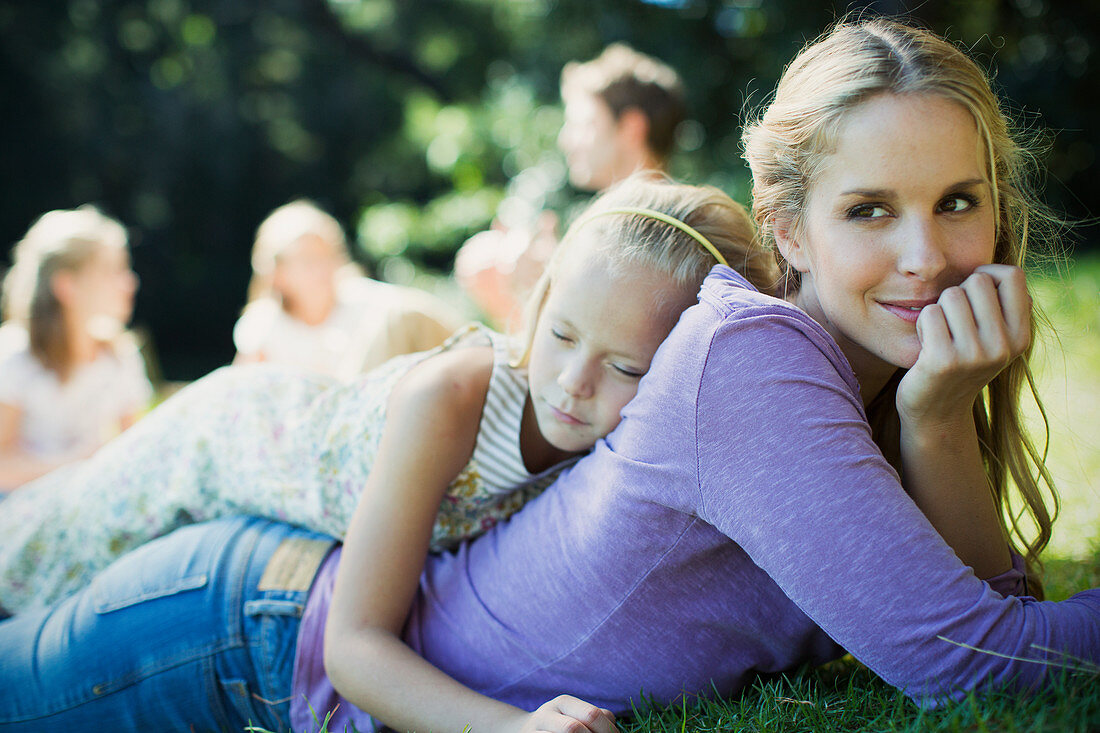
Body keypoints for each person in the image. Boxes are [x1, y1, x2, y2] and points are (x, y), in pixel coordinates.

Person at [3, 17, 1100, 733]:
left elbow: (985, 631)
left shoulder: (875, 392)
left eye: (957, 201)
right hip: (244, 629)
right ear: (789, 229)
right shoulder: (751, 363)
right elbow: (982, 662)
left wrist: (938, 416)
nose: (925, 255)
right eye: (869, 209)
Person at [0, 175, 779, 621]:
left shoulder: (638, 438)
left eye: (629, 369)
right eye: (563, 335)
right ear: (537, 309)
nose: (574, 382)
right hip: (224, 440)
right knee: (39, 555)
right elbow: (355, 645)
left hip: (271, 463)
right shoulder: (453, 397)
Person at [454, 43, 686, 330]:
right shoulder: (649, 223)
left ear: (631, 128)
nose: (566, 140)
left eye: (583, 124)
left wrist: (547, 285)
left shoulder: (656, 236)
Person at [0, 205, 151, 492]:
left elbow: (138, 452)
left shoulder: (119, 356)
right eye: (112, 270)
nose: (130, 282)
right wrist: (75, 465)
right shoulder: (15, 357)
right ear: (66, 285)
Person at [234, 199, 461, 380]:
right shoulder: (264, 326)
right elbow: (241, 398)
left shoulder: (370, 302)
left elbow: (419, 320)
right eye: (307, 261)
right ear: (277, 274)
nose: (322, 270)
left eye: (328, 257)